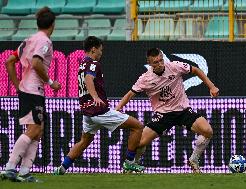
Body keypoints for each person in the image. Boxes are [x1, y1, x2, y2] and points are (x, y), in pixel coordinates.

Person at [115, 48, 219, 173]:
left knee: (208, 131)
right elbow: (130, 94)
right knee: (139, 142)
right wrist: (118, 108)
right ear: (149, 63)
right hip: (163, 115)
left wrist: (211, 86)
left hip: (183, 111)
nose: (159, 64)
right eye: (155, 62)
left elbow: (196, 70)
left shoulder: (174, 66)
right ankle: (132, 166)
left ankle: (194, 159)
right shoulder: (145, 79)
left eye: (161, 60)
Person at [53, 36, 145, 175]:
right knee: (137, 126)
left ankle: (62, 168)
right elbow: (89, 79)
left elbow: (85, 80)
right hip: (98, 111)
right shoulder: (93, 63)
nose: (101, 53)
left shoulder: (82, 64)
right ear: (93, 49)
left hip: (87, 111)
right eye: (100, 50)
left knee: (84, 141)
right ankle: (129, 162)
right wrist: (95, 97)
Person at [1, 7, 61, 182]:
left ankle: (24, 172)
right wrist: (51, 82)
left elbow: (9, 62)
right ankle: (10, 168)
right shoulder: (45, 41)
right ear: (53, 25)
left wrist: (17, 86)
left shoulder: (28, 39)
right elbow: (36, 63)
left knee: (38, 131)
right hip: (34, 90)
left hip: (27, 90)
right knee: (34, 129)